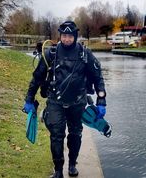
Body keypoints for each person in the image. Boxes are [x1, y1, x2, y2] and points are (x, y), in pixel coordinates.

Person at [23, 21, 107, 178]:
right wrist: (29, 99)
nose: (67, 39)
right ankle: (58, 170)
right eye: (64, 36)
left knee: (75, 134)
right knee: (56, 135)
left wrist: (101, 101)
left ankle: (72, 164)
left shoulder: (85, 54)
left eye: (70, 36)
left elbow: (98, 77)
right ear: (60, 36)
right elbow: (37, 78)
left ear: (75, 36)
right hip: (55, 102)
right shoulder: (51, 54)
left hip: (78, 102)